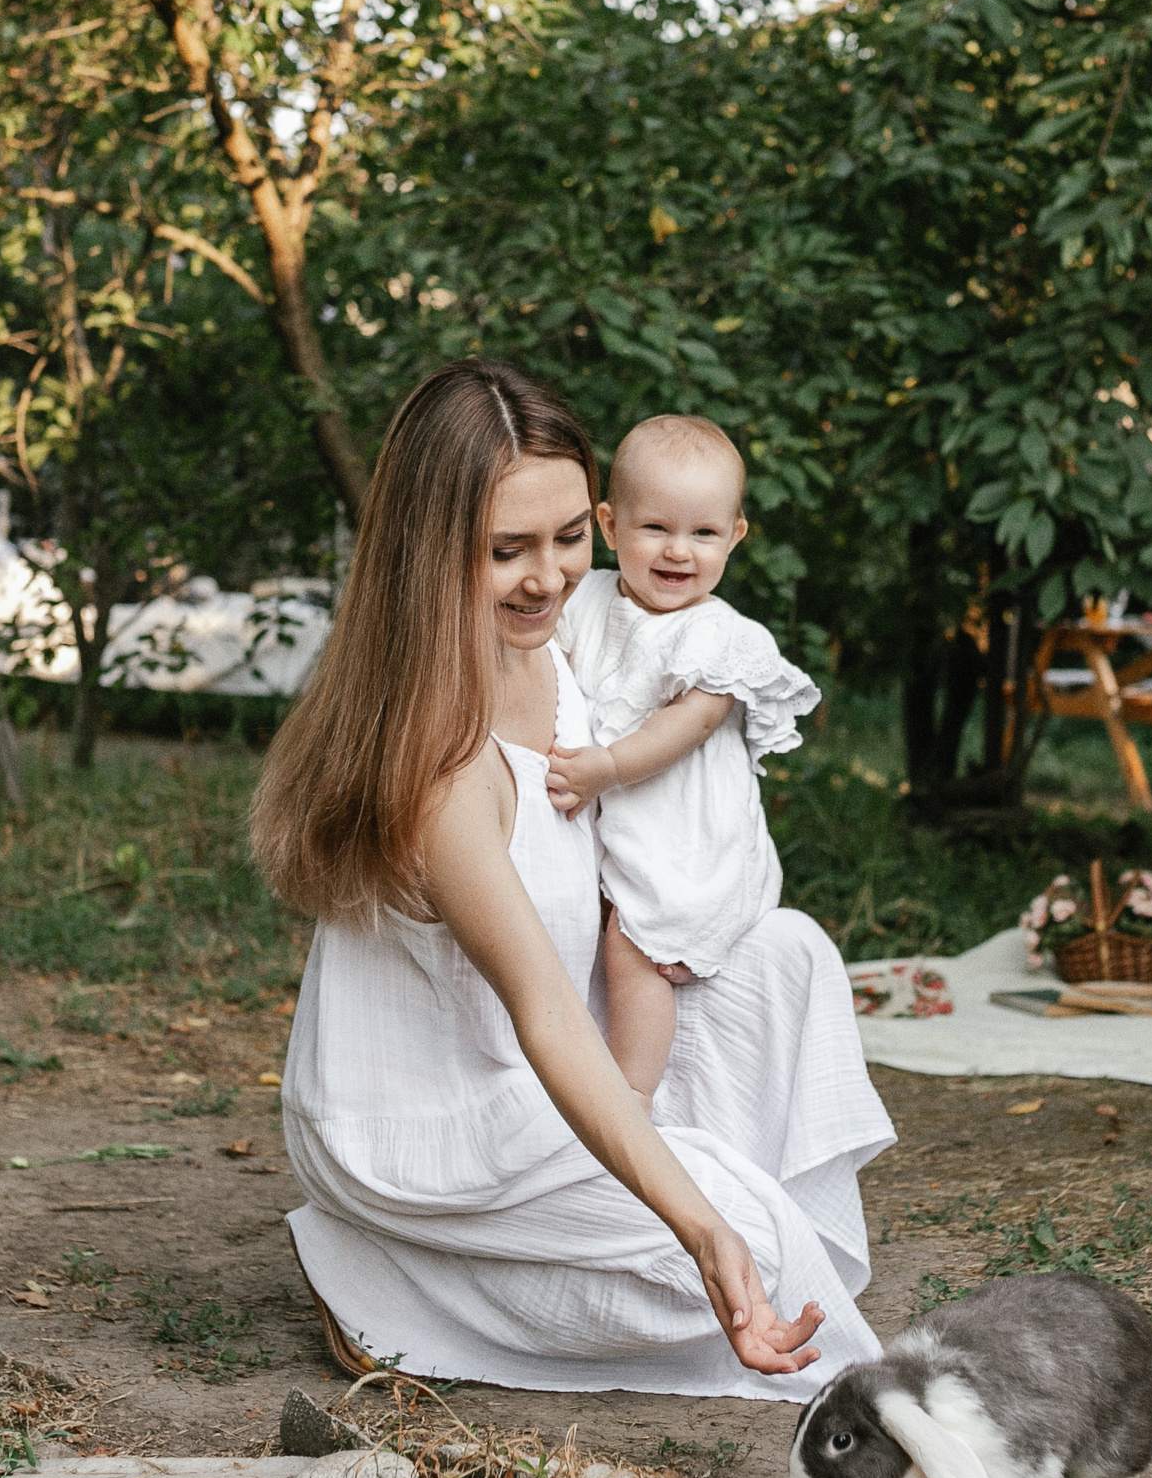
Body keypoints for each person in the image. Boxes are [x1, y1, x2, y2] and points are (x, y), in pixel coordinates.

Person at [249, 359, 893, 1399]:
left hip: (553, 1050)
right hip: (431, 1119)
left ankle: (577, 1227)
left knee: (784, 955)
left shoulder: (569, 653)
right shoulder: (444, 769)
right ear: (431, 549)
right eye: (506, 550)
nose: (548, 578)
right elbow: (547, 1016)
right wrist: (698, 1224)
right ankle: (379, 1271)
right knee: (752, 1245)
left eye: (568, 539)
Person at [545, 415, 820, 1104]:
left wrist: (604, 767)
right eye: (656, 529)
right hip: (629, 818)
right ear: (609, 526)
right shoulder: (589, 598)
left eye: (703, 534)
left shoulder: (718, 634)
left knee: (632, 950)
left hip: (693, 835)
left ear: (735, 536)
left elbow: (689, 723)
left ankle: (628, 1099)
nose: (679, 552)